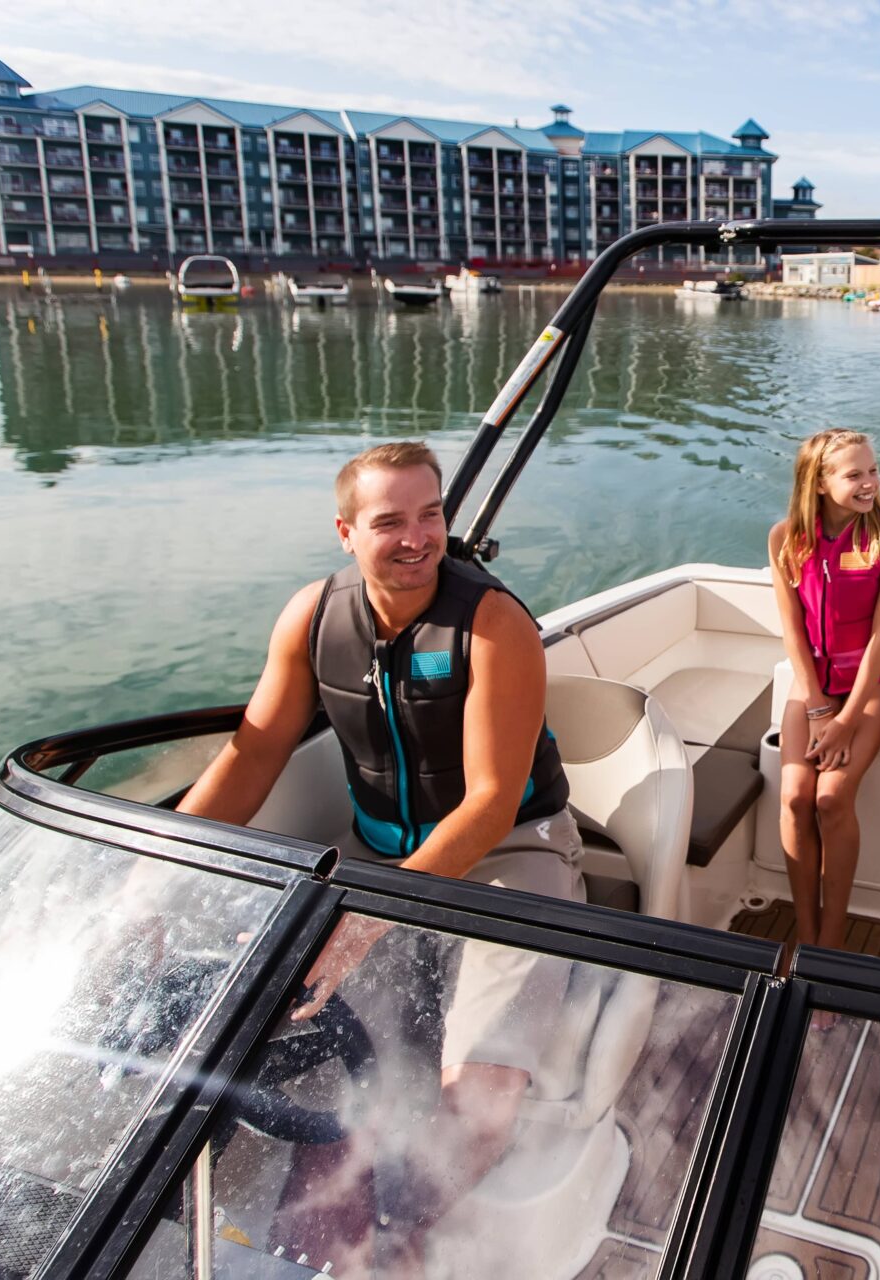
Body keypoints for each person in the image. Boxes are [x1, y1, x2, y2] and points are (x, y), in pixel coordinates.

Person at [176, 440, 581, 1262]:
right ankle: (324, 1252)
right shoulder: (313, 617)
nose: (418, 538)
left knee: (482, 1099)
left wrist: (365, 921)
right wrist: (151, 875)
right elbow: (252, 758)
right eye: (391, 521)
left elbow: (489, 804)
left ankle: (402, 1237)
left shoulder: (493, 624)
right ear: (346, 532)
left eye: (431, 515)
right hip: (373, 854)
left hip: (511, 855)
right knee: (329, 1070)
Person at [769, 429, 880, 956]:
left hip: (873, 686)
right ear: (819, 482)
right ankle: (804, 932)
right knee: (794, 796)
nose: (870, 482)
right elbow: (792, 631)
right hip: (813, 685)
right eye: (855, 474)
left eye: (873, 470)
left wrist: (846, 720)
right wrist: (818, 709)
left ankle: (831, 941)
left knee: (830, 798)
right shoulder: (785, 537)